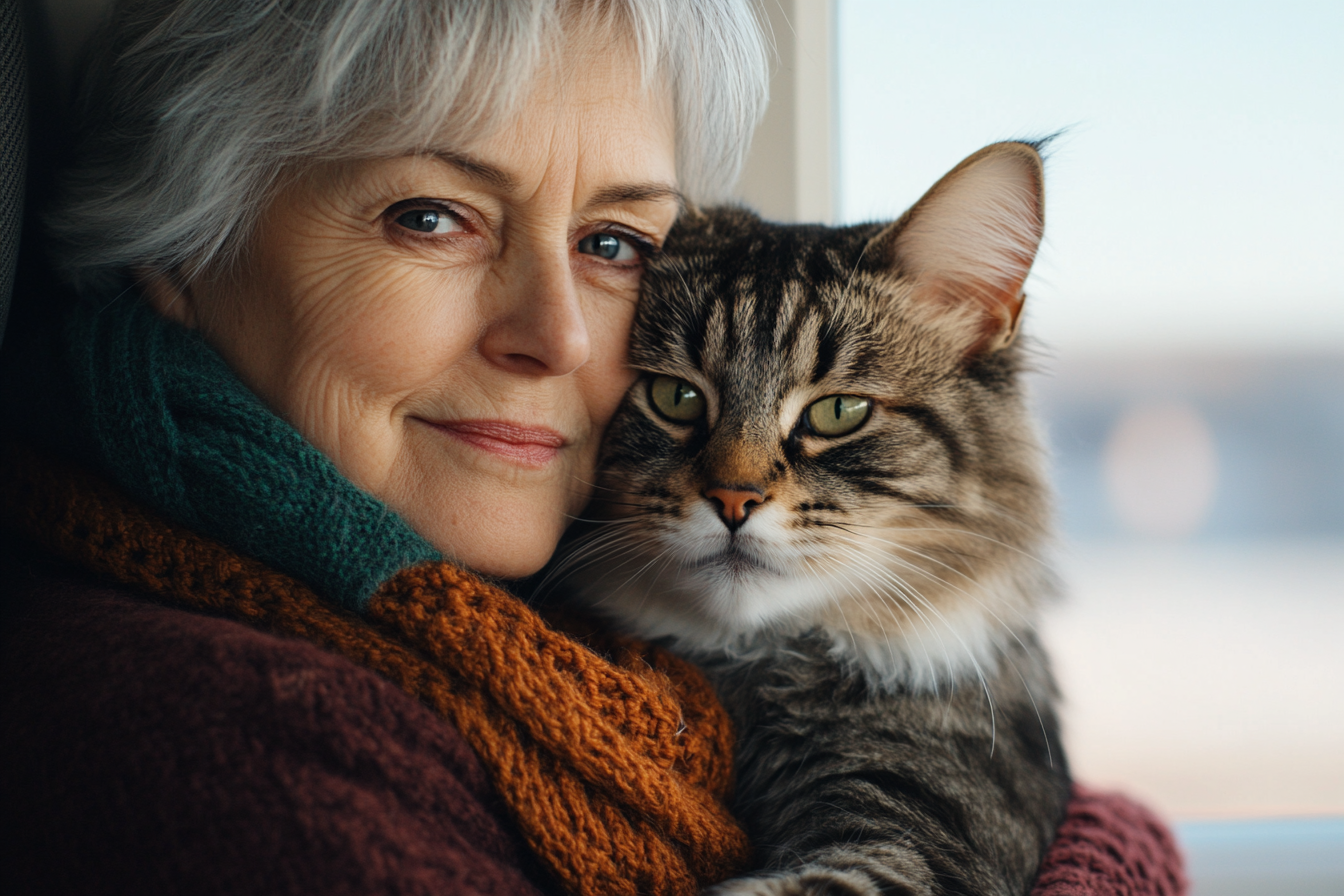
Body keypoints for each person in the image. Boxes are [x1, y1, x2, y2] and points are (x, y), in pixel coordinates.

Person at [0, 2, 1186, 894]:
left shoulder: (555, 603)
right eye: (431, 216)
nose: (561, 335)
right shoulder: (233, 735)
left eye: (615, 242)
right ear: (176, 251)